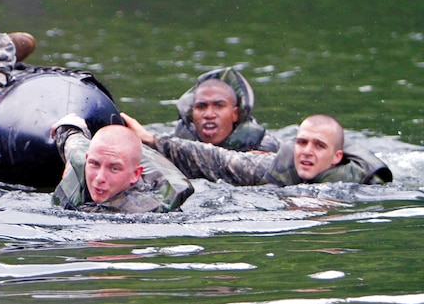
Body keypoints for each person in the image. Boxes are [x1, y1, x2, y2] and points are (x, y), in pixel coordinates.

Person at [122, 112, 392, 186]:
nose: (307, 151)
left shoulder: (362, 184)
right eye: (301, 142)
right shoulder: (275, 165)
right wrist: (153, 140)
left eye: (319, 146)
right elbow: (217, 159)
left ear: (337, 157)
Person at [50, 115, 193, 213]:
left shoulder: (149, 210)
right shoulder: (83, 162)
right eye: (94, 164)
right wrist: (68, 127)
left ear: (135, 175)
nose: (99, 178)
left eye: (114, 169)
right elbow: (76, 146)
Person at [171, 67, 280, 152]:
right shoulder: (174, 144)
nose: (209, 114)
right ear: (192, 113)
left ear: (235, 114)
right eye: (201, 106)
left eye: (219, 106)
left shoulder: (265, 146)